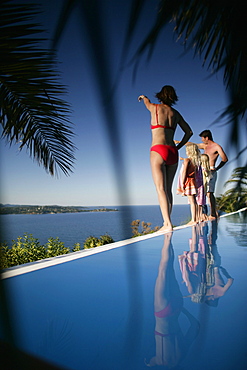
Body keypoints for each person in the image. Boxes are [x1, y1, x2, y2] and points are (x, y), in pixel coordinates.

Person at [138, 85, 193, 232]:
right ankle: (168, 222)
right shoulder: (176, 113)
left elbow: (147, 102)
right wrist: (179, 146)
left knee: (160, 188)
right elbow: (189, 132)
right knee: (167, 189)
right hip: (172, 152)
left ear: (160, 95)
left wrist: (143, 97)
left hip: (158, 149)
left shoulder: (154, 107)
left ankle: (167, 224)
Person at [197, 130, 228, 219]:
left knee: (209, 192)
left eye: (203, 139)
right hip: (203, 171)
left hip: (211, 171)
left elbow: (225, 159)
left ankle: (213, 213)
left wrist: (216, 168)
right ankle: (204, 214)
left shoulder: (216, 147)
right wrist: (178, 142)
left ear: (207, 138)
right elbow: (193, 145)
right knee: (203, 192)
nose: (202, 140)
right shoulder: (205, 146)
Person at [177, 143, 203, 225]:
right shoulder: (195, 161)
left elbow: (184, 172)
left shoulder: (187, 160)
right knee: (194, 201)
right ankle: (196, 218)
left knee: (192, 201)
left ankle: (193, 220)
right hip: (193, 181)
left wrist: (182, 182)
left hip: (188, 181)